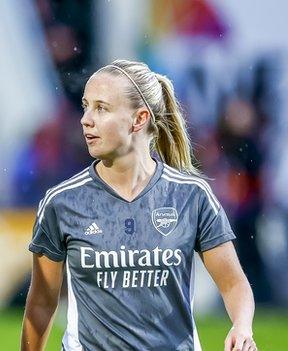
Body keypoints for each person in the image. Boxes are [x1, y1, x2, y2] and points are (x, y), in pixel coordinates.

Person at [21, 59, 256, 351]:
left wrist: (242, 327)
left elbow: (233, 283)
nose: (85, 119)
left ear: (140, 119)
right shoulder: (62, 202)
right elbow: (41, 303)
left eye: (101, 108)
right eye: (85, 106)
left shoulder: (192, 196)